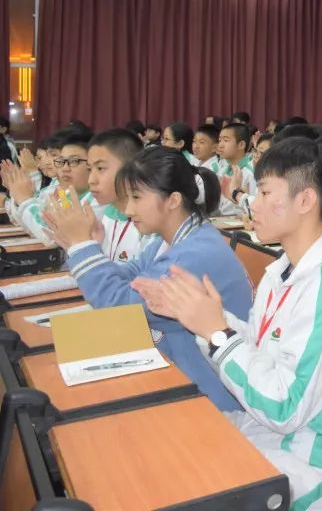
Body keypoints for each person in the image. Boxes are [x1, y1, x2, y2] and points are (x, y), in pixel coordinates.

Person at [135, 138, 322, 506]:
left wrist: (217, 333)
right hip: (271, 433)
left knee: (187, 486)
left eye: (265, 191)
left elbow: (285, 407)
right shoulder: (281, 271)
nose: (252, 203)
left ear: (305, 201)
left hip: (321, 461)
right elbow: (256, 350)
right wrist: (204, 316)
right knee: (165, 448)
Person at [48, 146, 252, 412]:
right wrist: (89, 247)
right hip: (183, 369)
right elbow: (129, 280)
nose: (129, 208)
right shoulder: (167, 241)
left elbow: (122, 305)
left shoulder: (196, 254)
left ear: (173, 200)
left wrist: (81, 247)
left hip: (213, 397)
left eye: (136, 197)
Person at [87, 129, 149, 261]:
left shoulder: (150, 225)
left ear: (132, 169)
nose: (91, 180)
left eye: (101, 168)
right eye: (89, 169)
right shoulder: (107, 215)